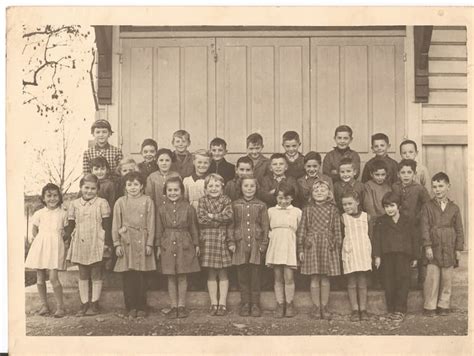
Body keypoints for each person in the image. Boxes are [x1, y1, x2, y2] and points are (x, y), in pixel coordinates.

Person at [65, 174, 112, 316]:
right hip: (80, 240)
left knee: (96, 273)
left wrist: (107, 243)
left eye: (93, 188)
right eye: (86, 188)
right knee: (83, 273)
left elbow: (107, 224)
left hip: (97, 240)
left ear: (97, 189)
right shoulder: (74, 204)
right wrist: (67, 240)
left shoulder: (102, 203)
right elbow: (71, 225)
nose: (89, 191)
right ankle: (84, 303)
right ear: (81, 188)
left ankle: (94, 303)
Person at [156, 176, 200, 319]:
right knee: (170, 276)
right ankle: (173, 306)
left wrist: (196, 244)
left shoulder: (188, 208)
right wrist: (158, 246)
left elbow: (193, 227)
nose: (173, 193)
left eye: (176, 190)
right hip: (167, 243)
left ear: (181, 191)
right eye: (170, 190)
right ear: (165, 191)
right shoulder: (161, 209)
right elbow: (159, 229)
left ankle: (181, 306)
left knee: (182, 275)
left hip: (184, 242)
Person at [112, 172, 156, 318]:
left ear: (142, 186)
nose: (133, 188)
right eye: (129, 185)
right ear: (125, 187)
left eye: (136, 184)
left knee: (141, 276)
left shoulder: (148, 201)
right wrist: (117, 244)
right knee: (128, 276)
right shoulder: (120, 202)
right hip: (126, 241)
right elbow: (115, 224)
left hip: (142, 240)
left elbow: (151, 223)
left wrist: (149, 243)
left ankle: (142, 307)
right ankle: (130, 307)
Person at [297, 179, 342, 320]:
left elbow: (337, 229)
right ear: (312, 193)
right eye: (316, 190)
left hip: (328, 245)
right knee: (315, 277)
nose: (319, 193)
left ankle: (324, 306)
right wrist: (301, 248)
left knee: (325, 277)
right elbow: (302, 229)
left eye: (323, 190)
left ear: (329, 193)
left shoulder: (333, 209)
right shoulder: (307, 209)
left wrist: (338, 246)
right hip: (312, 245)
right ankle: (316, 307)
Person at [421, 172, 464, 317]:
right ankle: (430, 306)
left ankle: (444, 304)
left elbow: (459, 229)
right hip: (434, 247)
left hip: (449, 247)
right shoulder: (428, 206)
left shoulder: (454, 208)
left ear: (448, 187)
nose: (437, 190)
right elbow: (424, 227)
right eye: (434, 187)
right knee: (432, 278)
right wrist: (427, 246)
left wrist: (458, 248)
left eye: (440, 186)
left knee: (447, 278)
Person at [373, 192, 418, 321]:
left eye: (392, 206)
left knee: (403, 281)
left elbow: (414, 239)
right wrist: (377, 256)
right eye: (386, 206)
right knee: (389, 282)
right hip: (387, 256)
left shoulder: (408, 220)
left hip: (403, 256)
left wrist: (415, 257)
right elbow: (376, 239)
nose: (389, 209)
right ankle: (391, 308)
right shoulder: (381, 221)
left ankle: (400, 309)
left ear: (398, 206)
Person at [25, 183, 68, 318]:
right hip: (41, 245)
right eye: (49, 196)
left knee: (54, 277)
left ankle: (61, 307)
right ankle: (44, 305)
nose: (52, 198)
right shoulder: (39, 213)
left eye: (55, 195)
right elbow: (34, 229)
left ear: (59, 197)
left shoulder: (63, 213)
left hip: (55, 246)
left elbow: (66, 231)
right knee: (40, 277)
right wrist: (37, 240)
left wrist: (64, 238)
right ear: (43, 198)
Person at [229, 175, 269, 317]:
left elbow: (265, 226)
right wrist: (232, 242)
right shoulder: (235, 205)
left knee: (256, 275)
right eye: (246, 186)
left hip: (256, 245)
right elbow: (231, 225)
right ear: (240, 187)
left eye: (252, 186)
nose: (249, 189)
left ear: (256, 187)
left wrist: (264, 243)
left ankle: (255, 304)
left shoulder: (261, 205)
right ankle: (245, 303)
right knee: (242, 275)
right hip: (240, 244)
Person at [197, 174, 234, 316]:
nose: (214, 188)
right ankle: (213, 303)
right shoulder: (202, 200)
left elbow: (228, 216)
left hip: (222, 238)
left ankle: (222, 303)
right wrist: (219, 218)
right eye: (210, 186)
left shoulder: (226, 200)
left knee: (223, 272)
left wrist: (211, 216)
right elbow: (201, 219)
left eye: (217, 185)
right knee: (211, 272)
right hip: (207, 239)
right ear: (205, 189)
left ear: (222, 187)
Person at [391, 159, 431, 288]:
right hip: (400, 226)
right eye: (403, 172)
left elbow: (427, 206)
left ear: (414, 174)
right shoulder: (395, 186)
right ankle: (403, 280)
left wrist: (418, 218)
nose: (406, 175)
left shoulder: (419, 189)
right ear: (398, 174)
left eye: (409, 172)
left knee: (417, 251)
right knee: (403, 251)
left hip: (415, 225)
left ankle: (421, 280)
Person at [266, 182, 302, 318]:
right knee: (278, 277)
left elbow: (300, 231)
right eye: (280, 198)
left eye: (286, 198)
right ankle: (280, 304)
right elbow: (267, 228)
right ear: (276, 198)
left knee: (288, 276)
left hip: (289, 245)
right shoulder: (270, 211)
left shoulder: (297, 211)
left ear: (292, 198)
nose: (283, 201)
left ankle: (289, 303)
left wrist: (299, 249)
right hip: (276, 245)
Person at [340, 191, 373, 321]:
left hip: (363, 251)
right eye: (344, 204)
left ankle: (363, 309)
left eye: (350, 203)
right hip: (350, 251)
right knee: (352, 281)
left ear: (357, 202)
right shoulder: (343, 218)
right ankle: (355, 309)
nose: (347, 207)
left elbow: (371, 235)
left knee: (362, 281)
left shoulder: (366, 217)